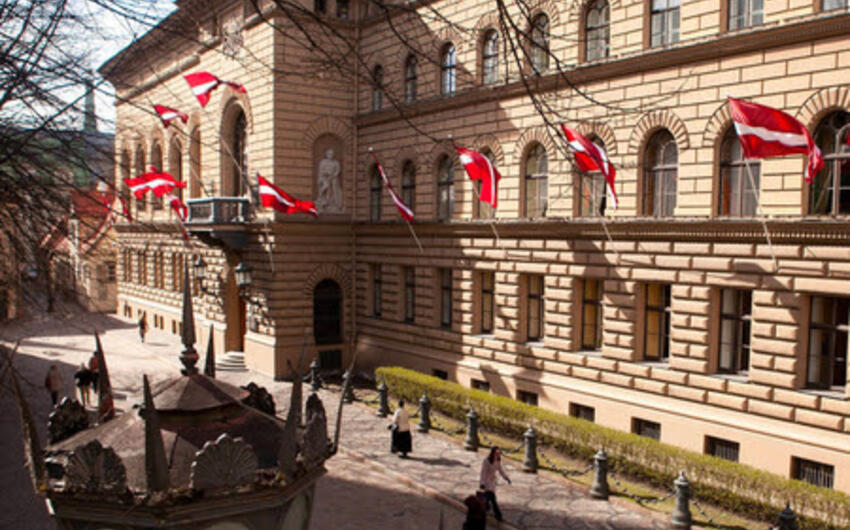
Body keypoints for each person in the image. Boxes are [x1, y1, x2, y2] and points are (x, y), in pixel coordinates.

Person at [479, 446, 511, 522]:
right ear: (493, 453)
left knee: (487, 498)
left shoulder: (497, 461)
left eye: (499, 453)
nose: (498, 455)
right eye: (496, 453)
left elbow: (501, 470)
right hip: (487, 482)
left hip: (492, 482)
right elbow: (483, 473)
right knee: (493, 499)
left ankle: (485, 508)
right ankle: (498, 515)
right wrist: (482, 483)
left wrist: (506, 478)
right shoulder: (486, 461)